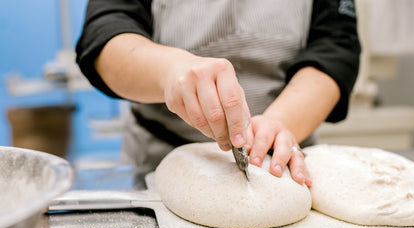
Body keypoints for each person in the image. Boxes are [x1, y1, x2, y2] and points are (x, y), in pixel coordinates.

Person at [76, 0, 361, 186]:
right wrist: (172, 70)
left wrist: (281, 123)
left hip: (280, 163)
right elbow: (104, 32)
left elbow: (336, 46)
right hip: (160, 160)